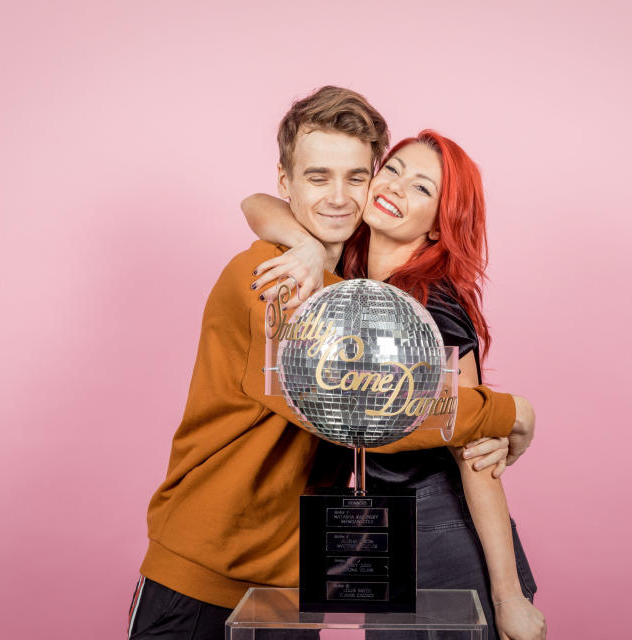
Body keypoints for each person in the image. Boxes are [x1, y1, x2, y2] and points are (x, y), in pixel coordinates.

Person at [129, 87, 535, 640]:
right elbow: (363, 409)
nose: (340, 198)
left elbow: (266, 207)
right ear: (286, 182)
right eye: (317, 177)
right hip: (205, 580)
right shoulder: (275, 281)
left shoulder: (350, 289)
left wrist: (306, 244)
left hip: (297, 582)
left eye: (357, 177)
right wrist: (512, 413)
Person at [243, 130, 547, 640]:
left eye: (422, 188)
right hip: (374, 527)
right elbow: (254, 204)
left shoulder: (433, 306)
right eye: (393, 170)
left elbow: (474, 455)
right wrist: (310, 247)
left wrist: (507, 596)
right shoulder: (347, 276)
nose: (397, 187)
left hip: (439, 529)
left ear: (437, 227)